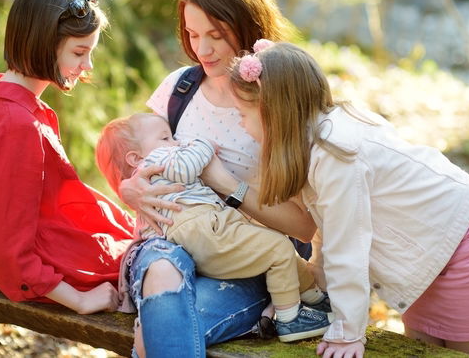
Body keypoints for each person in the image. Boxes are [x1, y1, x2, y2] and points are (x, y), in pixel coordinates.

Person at [228, 41, 469, 358]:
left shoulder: (336, 152)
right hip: (425, 256)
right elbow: (329, 228)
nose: (240, 123)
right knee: (419, 349)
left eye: (242, 114)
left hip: (467, 245)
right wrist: (313, 288)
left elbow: (348, 245)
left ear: (273, 113)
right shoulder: (312, 144)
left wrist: (349, 333)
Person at [118, 0, 320, 356]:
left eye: (216, 35)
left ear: (249, 28)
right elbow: (142, 157)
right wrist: (130, 189)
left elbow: (304, 226)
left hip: (242, 256)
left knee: (153, 336)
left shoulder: (276, 101)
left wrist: (225, 183)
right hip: (169, 244)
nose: (202, 49)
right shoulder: (179, 88)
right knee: (162, 281)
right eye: (193, 34)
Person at [0, 0, 135, 314]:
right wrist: (81, 300)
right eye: (79, 52)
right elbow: (6, 253)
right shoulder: (19, 124)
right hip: (58, 268)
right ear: (43, 43)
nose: (88, 66)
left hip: (58, 248)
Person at [97, 113, 330, 342]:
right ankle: (290, 320)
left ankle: (314, 296)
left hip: (206, 227)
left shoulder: (150, 179)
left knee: (273, 247)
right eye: (166, 138)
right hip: (202, 227)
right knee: (278, 248)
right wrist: (202, 145)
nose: (176, 142)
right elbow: (187, 167)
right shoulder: (155, 162)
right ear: (135, 158)